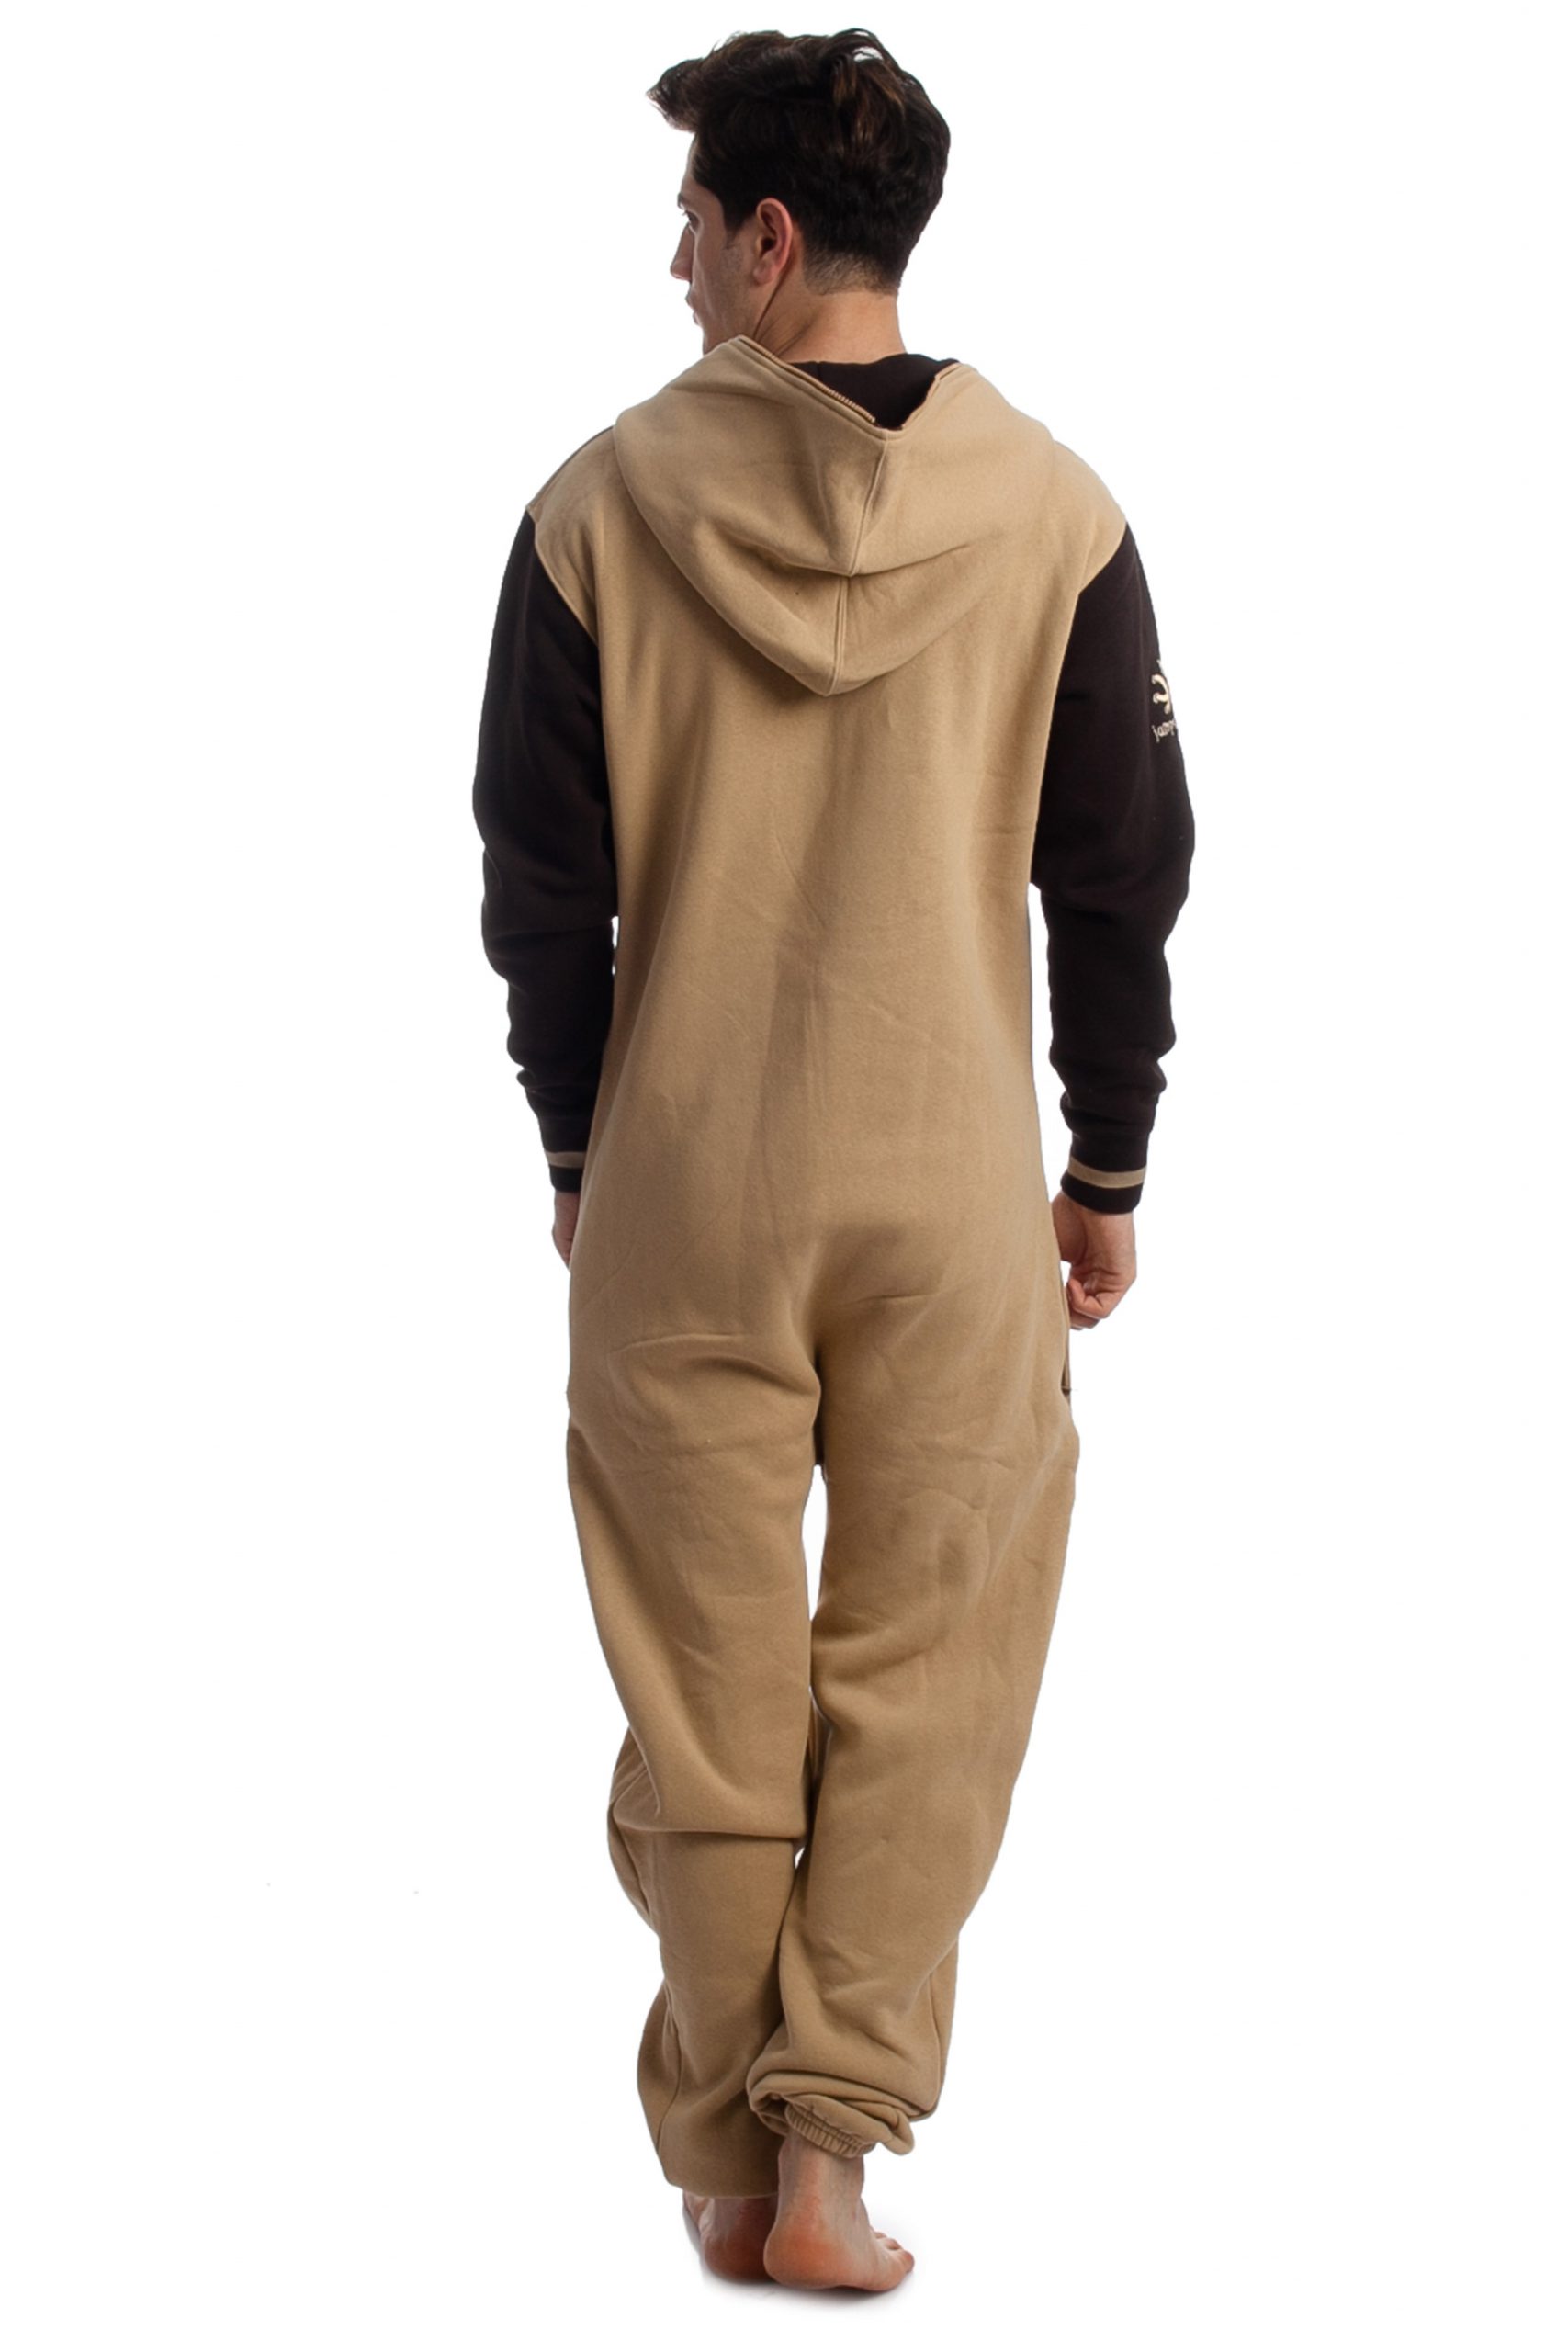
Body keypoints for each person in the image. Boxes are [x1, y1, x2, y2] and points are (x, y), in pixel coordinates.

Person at [471, 27, 1195, 2294]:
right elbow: (1119, 872)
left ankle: (718, 2148)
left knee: (708, 1687)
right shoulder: (1055, 512)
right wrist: (1104, 1166)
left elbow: (540, 884)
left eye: (692, 223)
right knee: (930, 1665)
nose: (673, 262)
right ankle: (829, 2159)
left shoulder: (592, 508)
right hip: (948, 1183)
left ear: (770, 240)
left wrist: (579, 1136)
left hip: (683, 1184)